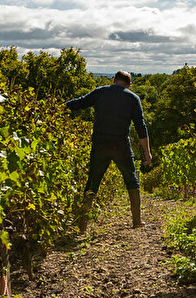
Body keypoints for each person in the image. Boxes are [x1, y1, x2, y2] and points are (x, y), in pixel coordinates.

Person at [65, 70, 152, 231]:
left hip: (100, 143)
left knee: (93, 182)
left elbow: (79, 103)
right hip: (121, 144)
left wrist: (59, 108)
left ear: (114, 80)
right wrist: (147, 152)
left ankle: (82, 225)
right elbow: (141, 127)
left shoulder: (100, 92)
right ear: (129, 84)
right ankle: (137, 221)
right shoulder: (133, 98)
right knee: (132, 180)